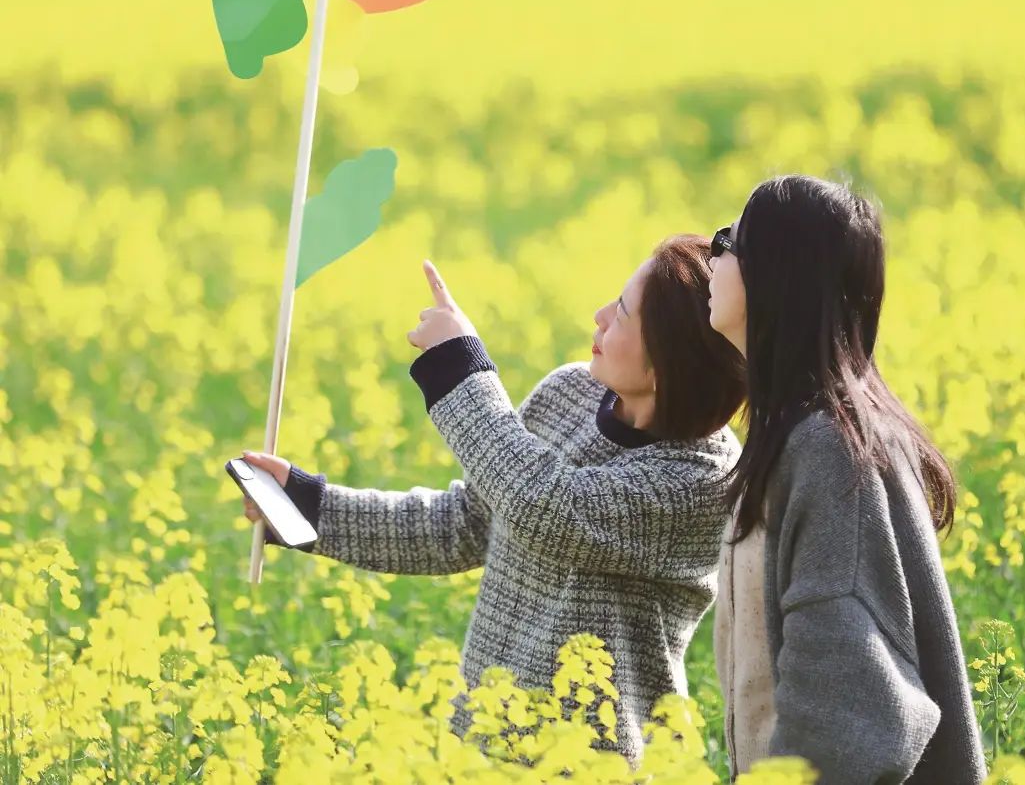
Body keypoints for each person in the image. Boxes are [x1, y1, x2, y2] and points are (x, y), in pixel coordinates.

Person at [239, 234, 745, 766]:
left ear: (668, 360)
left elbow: (545, 507)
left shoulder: (702, 478)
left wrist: (459, 367)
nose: (598, 317)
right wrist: (312, 509)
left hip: (593, 765)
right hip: (482, 742)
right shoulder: (569, 392)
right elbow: (467, 522)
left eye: (620, 314)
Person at [707, 175, 986, 783]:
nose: (713, 255)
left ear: (776, 273)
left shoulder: (829, 450)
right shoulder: (809, 435)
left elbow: (844, 708)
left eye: (729, 240)